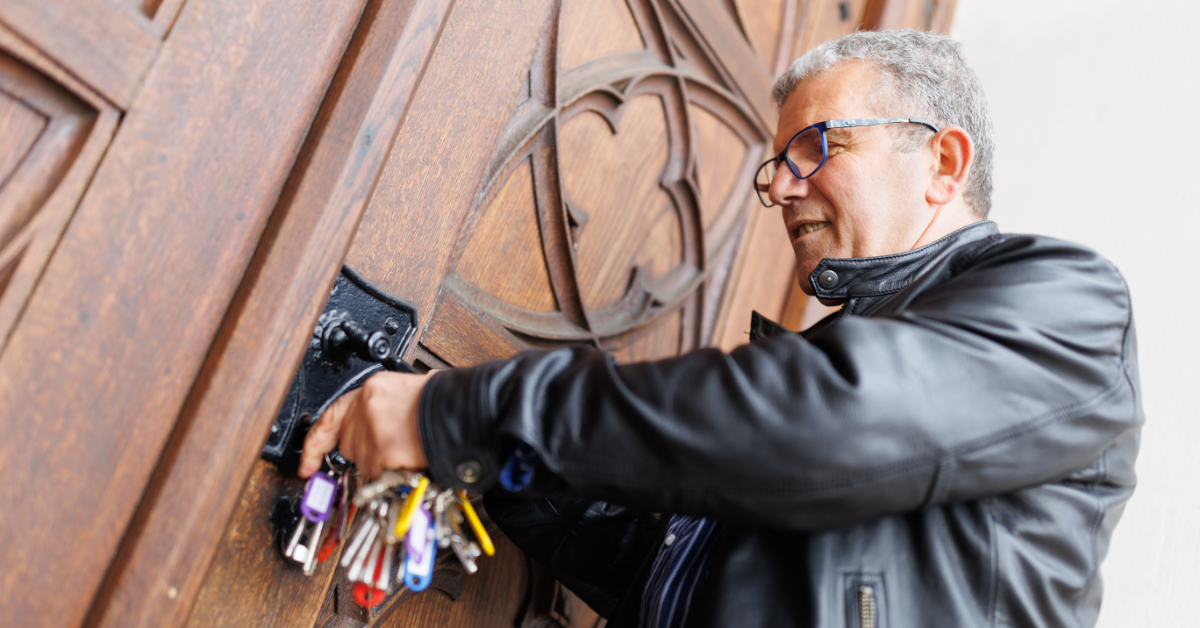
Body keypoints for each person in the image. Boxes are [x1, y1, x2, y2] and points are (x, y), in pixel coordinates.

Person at [299, 30, 1141, 627]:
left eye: (815, 148)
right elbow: (657, 560)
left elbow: (822, 423)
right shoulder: (846, 363)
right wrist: (461, 445)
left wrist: (455, 415)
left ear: (942, 164)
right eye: (776, 166)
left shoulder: (1068, 305)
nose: (778, 189)